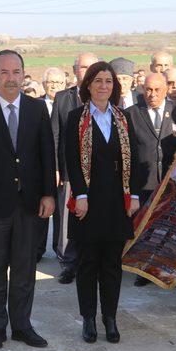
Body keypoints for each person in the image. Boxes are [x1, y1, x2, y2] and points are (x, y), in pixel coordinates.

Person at [0, 50, 56, 351]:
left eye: (16, 72)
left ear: (23, 74)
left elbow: (47, 155)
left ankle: (22, 325)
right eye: (4, 72)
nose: (10, 78)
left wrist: (48, 194)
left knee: (24, 269)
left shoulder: (37, 109)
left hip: (30, 203)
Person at [65, 61, 141, 343]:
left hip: (116, 202)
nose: (103, 86)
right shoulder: (76, 117)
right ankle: (88, 319)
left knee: (111, 264)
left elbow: (133, 158)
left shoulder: (123, 118)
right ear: (88, 85)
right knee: (87, 263)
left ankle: (110, 318)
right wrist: (80, 195)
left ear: (114, 86)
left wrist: (133, 195)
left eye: (108, 81)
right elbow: (72, 158)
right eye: (98, 81)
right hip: (88, 201)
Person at [123, 73, 176, 287]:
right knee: (146, 227)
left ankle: (168, 269)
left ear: (165, 89)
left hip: (173, 181)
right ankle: (144, 270)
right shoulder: (131, 114)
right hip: (144, 181)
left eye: (156, 90)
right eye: (148, 90)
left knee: (171, 226)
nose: (152, 95)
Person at [51, 52, 99, 284]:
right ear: (74, 70)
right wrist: (55, 167)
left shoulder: (103, 97)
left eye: (92, 67)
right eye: (83, 67)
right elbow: (54, 135)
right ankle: (68, 263)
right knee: (67, 218)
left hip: (98, 172)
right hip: (69, 169)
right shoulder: (62, 98)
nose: (87, 71)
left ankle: (90, 261)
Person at [36, 67, 66, 261]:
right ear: (44, 84)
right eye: (50, 82)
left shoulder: (67, 104)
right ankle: (37, 249)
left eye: (58, 82)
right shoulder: (34, 105)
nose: (54, 86)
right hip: (38, 167)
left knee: (61, 213)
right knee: (40, 210)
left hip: (61, 167)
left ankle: (59, 248)